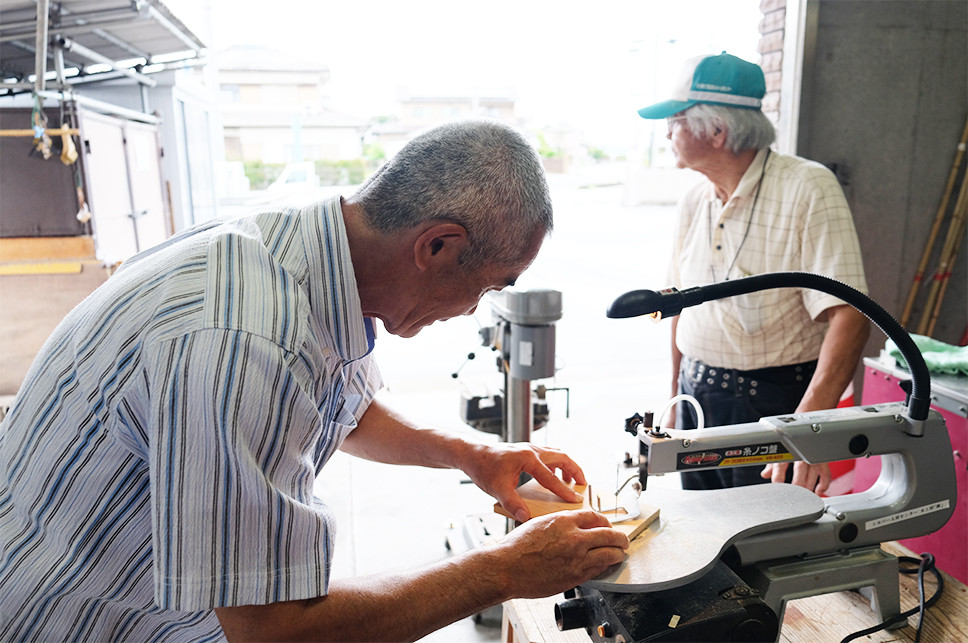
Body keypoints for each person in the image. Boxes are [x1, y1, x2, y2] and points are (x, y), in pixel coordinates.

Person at [0, 120, 630, 642]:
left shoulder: (308, 254)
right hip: (75, 620)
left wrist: (473, 453)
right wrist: (500, 571)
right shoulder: (243, 338)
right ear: (437, 245)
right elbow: (275, 633)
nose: (472, 309)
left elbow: (343, 405)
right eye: (488, 285)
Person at [637, 53, 870, 495]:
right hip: (696, 392)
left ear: (718, 131)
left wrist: (809, 425)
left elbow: (851, 313)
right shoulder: (694, 200)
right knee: (701, 536)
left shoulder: (807, 187)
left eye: (677, 119)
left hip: (774, 403)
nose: (667, 131)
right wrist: (673, 398)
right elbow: (678, 306)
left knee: (762, 545)